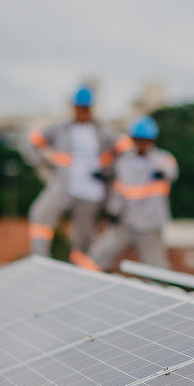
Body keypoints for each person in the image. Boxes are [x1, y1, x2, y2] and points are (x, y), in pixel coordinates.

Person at [26, 85, 132, 269]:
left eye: (85, 108)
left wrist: (108, 170)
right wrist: (43, 162)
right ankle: (40, 261)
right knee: (40, 213)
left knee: (84, 237)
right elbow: (31, 142)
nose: (82, 112)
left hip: (90, 191)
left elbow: (126, 149)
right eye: (79, 107)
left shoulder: (102, 131)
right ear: (73, 107)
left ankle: (82, 271)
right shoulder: (60, 129)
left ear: (91, 109)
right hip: (63, 185)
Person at [87, 115, 178, 271]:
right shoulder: (124, 162)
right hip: (126, 221)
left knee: (155, 266)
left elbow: (172, 170)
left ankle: (159, 291)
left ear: (151, 140)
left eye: (145, 140)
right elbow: (118, 190)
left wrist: (162, 174)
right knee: (99, 254)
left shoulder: (162, 159)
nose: (141, 144)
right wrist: (113, 212)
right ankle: (86, 279)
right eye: (138, 139)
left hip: (150, 224)